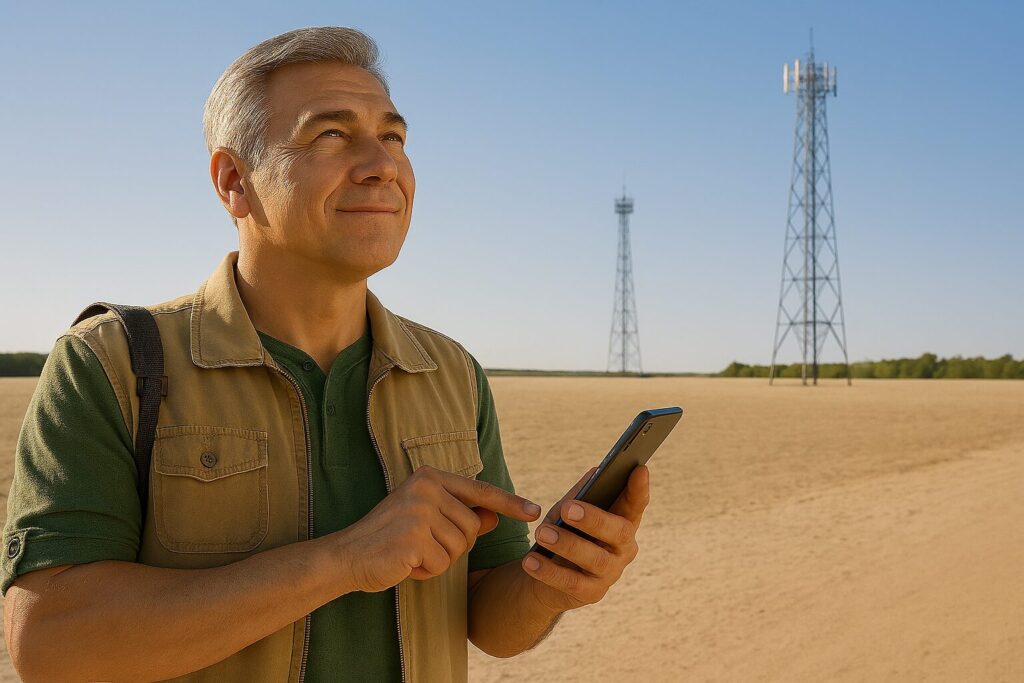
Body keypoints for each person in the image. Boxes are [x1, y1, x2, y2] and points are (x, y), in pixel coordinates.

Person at [1, 26, 651, 682]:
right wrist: (342, 560)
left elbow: (488, 618)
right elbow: (50, 644)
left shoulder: (449, 372)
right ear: (233, 181)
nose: (383, 163)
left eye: (394, 136)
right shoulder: (112, 365)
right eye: (332, 135)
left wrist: (555, 579)